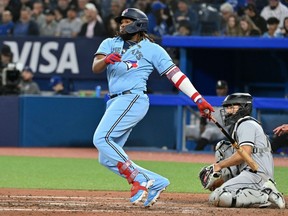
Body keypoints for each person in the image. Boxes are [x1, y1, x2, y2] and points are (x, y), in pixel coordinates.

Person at [91, 8, 214, 208]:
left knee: (101, 138)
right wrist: (105, 60)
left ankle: (137, 179)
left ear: (138, 24)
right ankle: (155, 181)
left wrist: (198, 99)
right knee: (106, 158)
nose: (122, 24)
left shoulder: (153, 49)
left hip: (133, 97)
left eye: (127, 21)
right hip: (114, 101)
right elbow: (95, 66)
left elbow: (175, 75)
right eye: (121, 21)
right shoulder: (110, 43)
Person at [200, 93, 285, 209]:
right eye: (227, 107)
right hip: (249, 173)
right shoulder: (241, 124)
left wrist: (218, 166)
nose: (228, 111)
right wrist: (219, 181)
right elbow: (239, 162)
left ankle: (266, 194)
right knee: (223, 148)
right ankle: (245, 189)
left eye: (231, 107)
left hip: (257, 176)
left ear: (244, 107)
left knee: (219, 197)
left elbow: (243, 155)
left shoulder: (246, 124)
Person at [186, 80, 229, 151]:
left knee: (208, 132)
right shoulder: (212, 101)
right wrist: (202, 125)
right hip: (208, 126)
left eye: (221, 89)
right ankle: (174, 153)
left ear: (226, 89)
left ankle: (195, 154)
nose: (219, 91)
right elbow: (204, 114)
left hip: (222, 129)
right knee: (186, 129)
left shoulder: (229, 102)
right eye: (218, 89)